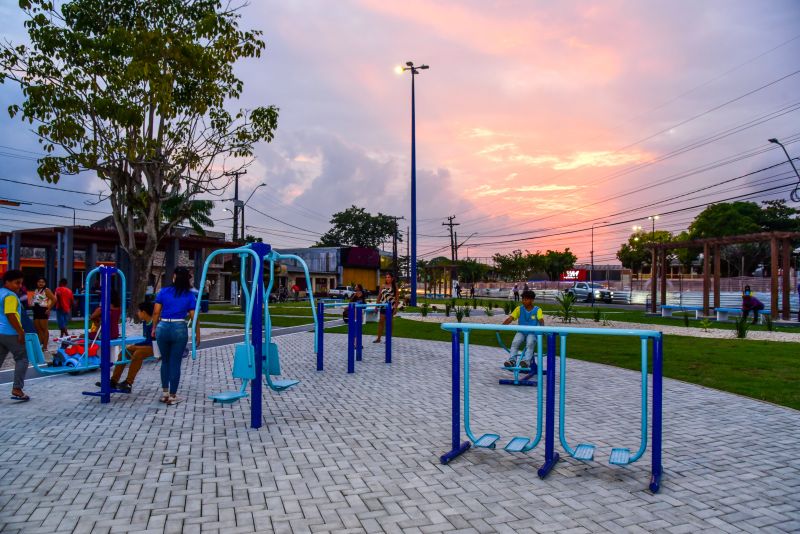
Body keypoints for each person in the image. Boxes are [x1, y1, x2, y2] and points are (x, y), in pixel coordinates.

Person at [152, 267, 199, 405]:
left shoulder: (163, 292)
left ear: (174, 277)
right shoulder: (189, 295)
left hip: (163, 326)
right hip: (179, 327)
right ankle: (173, 395)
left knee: (165, 361)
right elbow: (194, 316)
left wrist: (154, 327)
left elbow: (156, 312)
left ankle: (165, 393)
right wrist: (198, 334)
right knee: (175, 362)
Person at [101, 301, 155, 393]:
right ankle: (114, 380)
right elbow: (147, 340)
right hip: (148, 345)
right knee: (124, 352)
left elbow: (152, 341)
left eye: (139, 311)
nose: (137, 313)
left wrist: (137, 346)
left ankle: (128, 382)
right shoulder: (146, 323)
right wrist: (135, 346)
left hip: (155, 347)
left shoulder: (154, 323)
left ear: (144, 312)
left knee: (138, 353)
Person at [0, 270, 30, 401]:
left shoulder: (1, 293)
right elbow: (10, 314)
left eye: (21, 283)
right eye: (16, 283)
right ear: (7, 282)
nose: (19, 286)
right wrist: (20, 331)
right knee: (22, 358)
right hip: (11, 332)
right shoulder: (10, 296)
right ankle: (17, 388)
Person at [502, 290, 544, 369]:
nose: (523, 301)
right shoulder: (519, 309)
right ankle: (512, 361)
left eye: (526, 299)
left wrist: (542, 330)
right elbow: (510, 319)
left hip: (532, 332)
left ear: (532, 300)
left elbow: (541, 320)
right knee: (515, 343)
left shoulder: (537, 310)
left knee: (530, 343)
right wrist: (500, 327)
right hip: (521, 332)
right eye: (523, 299)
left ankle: (526, 362)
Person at [31, 277, 56, 351]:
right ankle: (39, 344)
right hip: (36, 310)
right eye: (39, 282)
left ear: (45, 283)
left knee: (44, 329)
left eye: (42, 282)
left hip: (43, 310)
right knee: (38, 329)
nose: (41, 283)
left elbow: (54, 299)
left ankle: (45, 347)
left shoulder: (46, 290)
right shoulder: (36, 290)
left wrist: (49, 309)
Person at [373, 272, 398, 343]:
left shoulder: (394, 286)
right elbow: (379, 296)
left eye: (389, 277)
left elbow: (397, 298)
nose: (387, 278)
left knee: (389, 323)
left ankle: (388, 338)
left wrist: (395, 308)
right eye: (386, 277)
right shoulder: (383, 286)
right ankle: (378, 338)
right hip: (383, 306)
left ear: (392, 278)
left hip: (391, 307)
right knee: (381, 322)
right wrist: (376, 306)